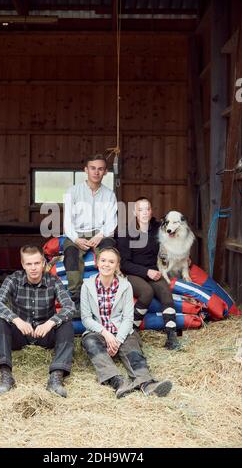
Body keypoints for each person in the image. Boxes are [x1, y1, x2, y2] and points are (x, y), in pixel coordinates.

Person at [80, 247, 172, 398]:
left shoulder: (125, 286)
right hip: (98, 333)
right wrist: (106, 334)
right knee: (90, 342)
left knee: (133, 348)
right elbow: (86, 318)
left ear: (117, 265)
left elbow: (128, 319)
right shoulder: (87, 286)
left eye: (111, 262)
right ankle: (118, 382)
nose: (106, 264)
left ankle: (147, 384)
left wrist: (117, 340)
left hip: (121, 332)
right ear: (97, 263)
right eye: (103, 260)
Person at [0, 245, 75, 397]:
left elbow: (70, 306)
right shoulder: (13, 279)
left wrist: (51, 322)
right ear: (23, 264)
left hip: (45, 334)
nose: (33, 268)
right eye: (29, 264)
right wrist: (16, 320)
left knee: (67, 324)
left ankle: (56, 377)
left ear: (43, 262)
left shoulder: (53, 281)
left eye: (37, 263)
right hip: (20, 334)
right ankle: (6, 375)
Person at [116, 197, 180, 350]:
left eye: (147, 209)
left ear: (151, 211)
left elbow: (177, 232)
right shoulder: (125, 232)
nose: (145, 213)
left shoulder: (158, 228)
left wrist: (184, 255)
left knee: (165, 291)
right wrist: (146, 272)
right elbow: (124, 264)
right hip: (133, 272)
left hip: (154, 270)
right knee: (147, 292)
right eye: (140, 209)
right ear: (134, 212)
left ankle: (171, 335)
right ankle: (133, 328)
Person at [63, 154, 117, 313]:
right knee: (71, 254)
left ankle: (106, 293)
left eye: (100, 169)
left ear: (105, 172)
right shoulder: (73, 191)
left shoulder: (109, 195)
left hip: (101, 234)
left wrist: (100, 236)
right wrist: (76, 238)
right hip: (77, 233)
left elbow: (111, 222)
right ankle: (76, 298)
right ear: (85, 170)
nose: (96, 172)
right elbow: (67, 221)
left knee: (109, 253)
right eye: (93, 168)